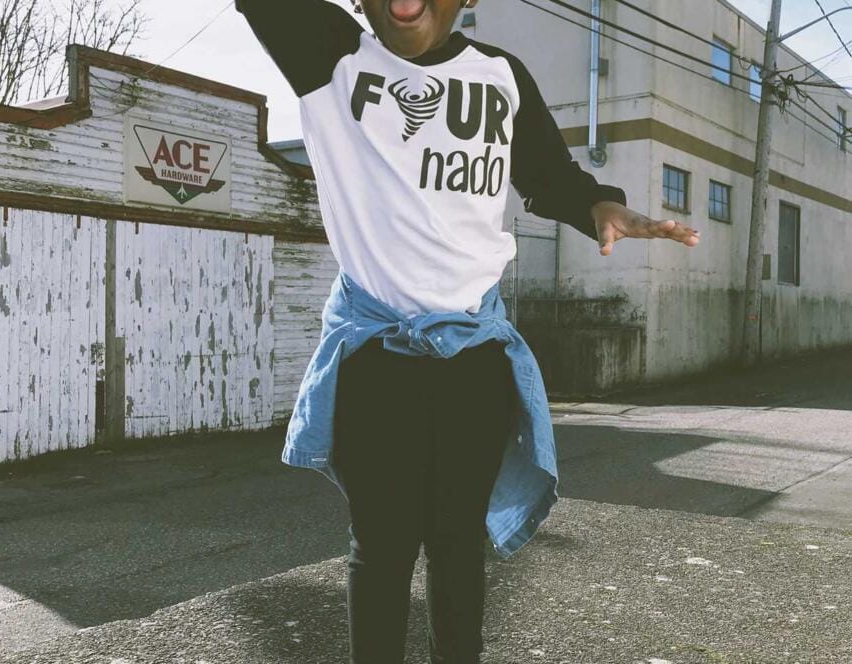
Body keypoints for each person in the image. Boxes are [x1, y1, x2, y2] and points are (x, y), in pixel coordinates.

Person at [235, 1, 701, 662]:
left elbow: (549, 176)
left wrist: (598, 204)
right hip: (377, 358)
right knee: (383, 549)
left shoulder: (500, 76)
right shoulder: (330, 56)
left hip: (475, 359)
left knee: (458, 545)